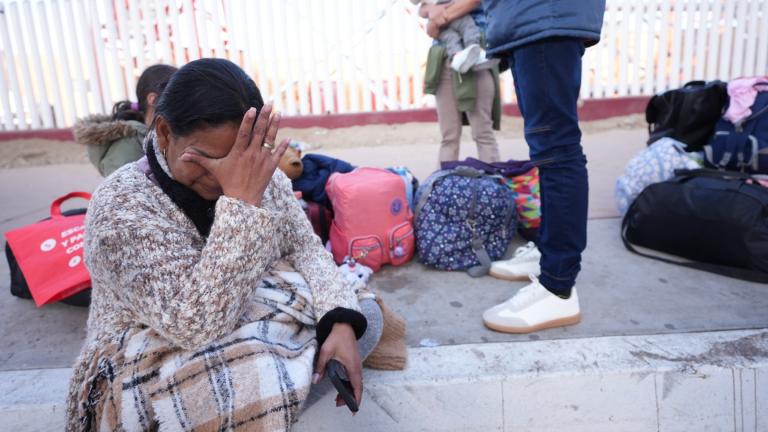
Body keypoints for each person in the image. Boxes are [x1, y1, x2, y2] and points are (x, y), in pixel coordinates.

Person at [65, 58, 383, 431]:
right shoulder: (120, 206)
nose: (224, 177)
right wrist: (242, 201)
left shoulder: (257, 170)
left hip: (234, 315)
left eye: (239, 157)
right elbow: (194, 326)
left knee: (363, 316)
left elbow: (304, 247)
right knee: (249, 376)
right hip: (145, 347)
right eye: (207, 160)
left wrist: (338, 321)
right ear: (165, 133)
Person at [480, 0, 606, 334]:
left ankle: (557, 285)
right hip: (531, 19)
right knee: (547, 152)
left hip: (545, 16)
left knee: (557, 151)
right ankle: (549, 253)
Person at [420, 0, 502, 164]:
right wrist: (430, 9)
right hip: (444, 55)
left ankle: (493, 186)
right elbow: (422, 7)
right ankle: (443, 185)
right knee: (449, 135)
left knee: (482, 131)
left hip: (476, 54)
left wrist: (437, 18)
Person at [73, 64, 177, 177]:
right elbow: (123, 189)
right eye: (176, 96)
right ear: (152, 99)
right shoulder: (130, 140)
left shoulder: (156, 134)